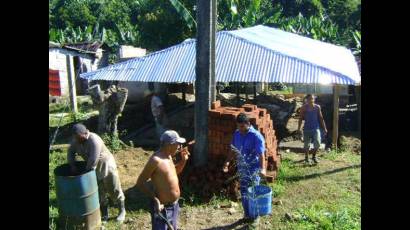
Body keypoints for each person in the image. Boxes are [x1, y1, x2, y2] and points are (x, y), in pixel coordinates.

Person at [67, 123, 126, 223]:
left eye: (78, 137)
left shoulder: (94, 140)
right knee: (99, 191)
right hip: (92, 168)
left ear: (85, 133)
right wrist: (72, 165)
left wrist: (84, 174)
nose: (77, 139)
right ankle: (104, 214)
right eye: (75, 137)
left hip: (106, 165)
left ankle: (122, 211)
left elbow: (93, 159)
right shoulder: (76, 141)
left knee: (113, 188)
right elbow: (70, 152)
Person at [136, 130, 190, 230]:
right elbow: (140, 183)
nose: (179, 147)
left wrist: (183, 161)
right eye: (177, 144)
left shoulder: (169, 156)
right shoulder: (155, 160)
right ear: (169, 144)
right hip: (162, 208)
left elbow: (174, 173)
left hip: (174, 205)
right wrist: (155, 199)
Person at [222, 113, 266, 223]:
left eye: (242, 127)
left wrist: (263, 169)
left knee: (253, 192)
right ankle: (247, 215)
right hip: (242, 169)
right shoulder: (237, 134)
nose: (240, 129)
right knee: (244, 193)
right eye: (238, 126)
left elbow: (261, 154)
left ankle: (255, 217)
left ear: (248, 124)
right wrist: (227, 162)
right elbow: (233, 150)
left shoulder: (256, 136)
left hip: (253, 169)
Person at [297, 94, 328, 164]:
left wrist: (325, 128)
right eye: (309, 99)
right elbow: (300, 119)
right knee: (306, 145)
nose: (311, 100)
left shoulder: (317, 107)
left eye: (312, 99)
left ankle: (314, 156)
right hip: (307, 129)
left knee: (317, 143)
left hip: (316, 128)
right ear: (306, 100)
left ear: (314, 99)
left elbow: (321, 118)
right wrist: (299, 128)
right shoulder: (303, 108)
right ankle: (306, 158)